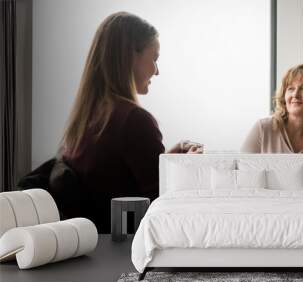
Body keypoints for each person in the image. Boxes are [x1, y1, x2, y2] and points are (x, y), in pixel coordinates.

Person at [58, 12, 201, 233]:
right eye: (154, 58)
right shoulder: (134, 120)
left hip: (96, 245)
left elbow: (115, 180)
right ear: (130, 57)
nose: (157, 70)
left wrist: (164, 162)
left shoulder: (87, 117)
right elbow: (162, 209)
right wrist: (188, 169)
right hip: (127, 248)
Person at [241, 64, 303, 197]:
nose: (295, 94)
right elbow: (242, 180)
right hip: (264, 208)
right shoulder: (263, 129)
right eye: (290, 88)